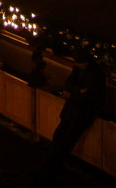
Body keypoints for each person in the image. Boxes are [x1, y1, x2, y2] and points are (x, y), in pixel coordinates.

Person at [37, 48, 106, 184]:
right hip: (72, 111)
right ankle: (48, 170)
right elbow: (69, 84)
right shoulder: (80, 69)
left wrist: (75, 92)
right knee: (58, 137)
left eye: (79, 63)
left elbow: (90, 96)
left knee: (65, 144)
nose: (77, 65)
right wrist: (79, 91)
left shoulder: (96, 75)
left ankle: (50, 172)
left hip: (80, 115)